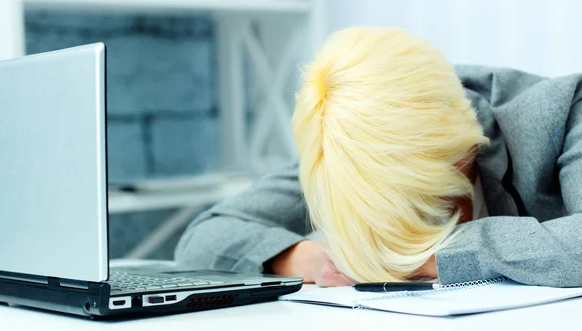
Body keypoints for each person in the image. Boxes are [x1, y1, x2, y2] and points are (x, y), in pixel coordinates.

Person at [175, 27, 582, 288]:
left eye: (425, 197)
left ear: (466, 146)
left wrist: (434, 255)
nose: (422, 215)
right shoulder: (351, 144)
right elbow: (203, 237)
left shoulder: (563, 112)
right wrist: (310, 260)